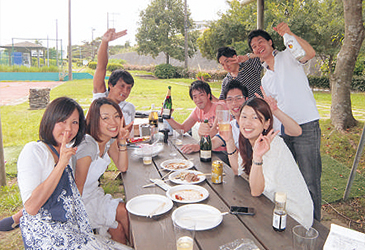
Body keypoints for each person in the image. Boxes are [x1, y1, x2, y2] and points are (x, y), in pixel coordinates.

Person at [17, 97, 132, 249]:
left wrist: (121, 140)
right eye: (62, 121)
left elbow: (67, 195)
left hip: (70, 225)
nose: (68, 129)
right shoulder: (35, 150)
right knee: (121, 215)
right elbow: (32, 207)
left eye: (74, 122)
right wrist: (62, 163)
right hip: (50, 235)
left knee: (121, 234)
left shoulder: (69, 149)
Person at [248, 22, 322, 221]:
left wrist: (289, 33)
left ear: (271, 42)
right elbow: (273, 109)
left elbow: (310, 53)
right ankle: (291, 220)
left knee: (310, 179)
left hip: (306, 124)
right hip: (283, 131)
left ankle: (315, 226)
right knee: (286, 178)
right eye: (253, 46)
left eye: (260, 42)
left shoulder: (289, 55)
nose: (257, 47)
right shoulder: (265, 79)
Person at [227, 98, 313, 229]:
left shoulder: (273, 145)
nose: (247, 122)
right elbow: (237, 170)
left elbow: (256, 190)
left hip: (293, 217)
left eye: (255, 118)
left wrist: (257, 157)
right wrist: (228, 140)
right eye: (243, 116)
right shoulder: (249, 141)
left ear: (267, 124)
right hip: (271, 206)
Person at [75, 98, 130, 245]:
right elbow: (76, 190)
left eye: (116, 116)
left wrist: (122, 141)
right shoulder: (88, 146)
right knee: (124, 212)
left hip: (94, 194)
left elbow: (122, 167)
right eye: (105, 118)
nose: (113, 122)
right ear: (94, 120)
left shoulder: (106, 140)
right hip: (81, 203)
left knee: (119, 225)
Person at [93, 28, 135, 135]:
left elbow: (125, 135)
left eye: (129, 88)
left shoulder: (129, 108)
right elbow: (101, 67)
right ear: (110, 85)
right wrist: (104, 42)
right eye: (122, 86)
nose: (125, 91)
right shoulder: (100, 98)